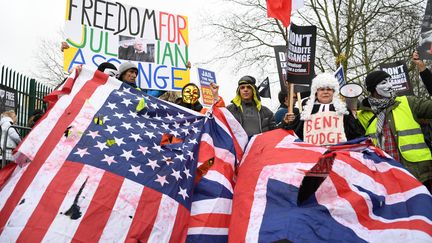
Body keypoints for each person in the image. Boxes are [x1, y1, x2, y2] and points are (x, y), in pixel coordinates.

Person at [357, 70, 432, 191]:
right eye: (384, 83)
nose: (390, 85)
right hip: (384, 178)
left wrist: (425, 73)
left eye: (390, 81)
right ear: (372, 88)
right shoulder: (362, 114)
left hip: (417, 174)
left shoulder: (408, 102)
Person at [281, 73, 364, 145]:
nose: (325, 92)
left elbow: (356, 135)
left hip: (339, 155)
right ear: (316, 92)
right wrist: (286, 123)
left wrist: (355, 118)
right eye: (322, 89)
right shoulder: (307, 111)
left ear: (334, 92)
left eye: (329, 89)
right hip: (314, 156)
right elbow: (292, 135)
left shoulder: (342, 110)